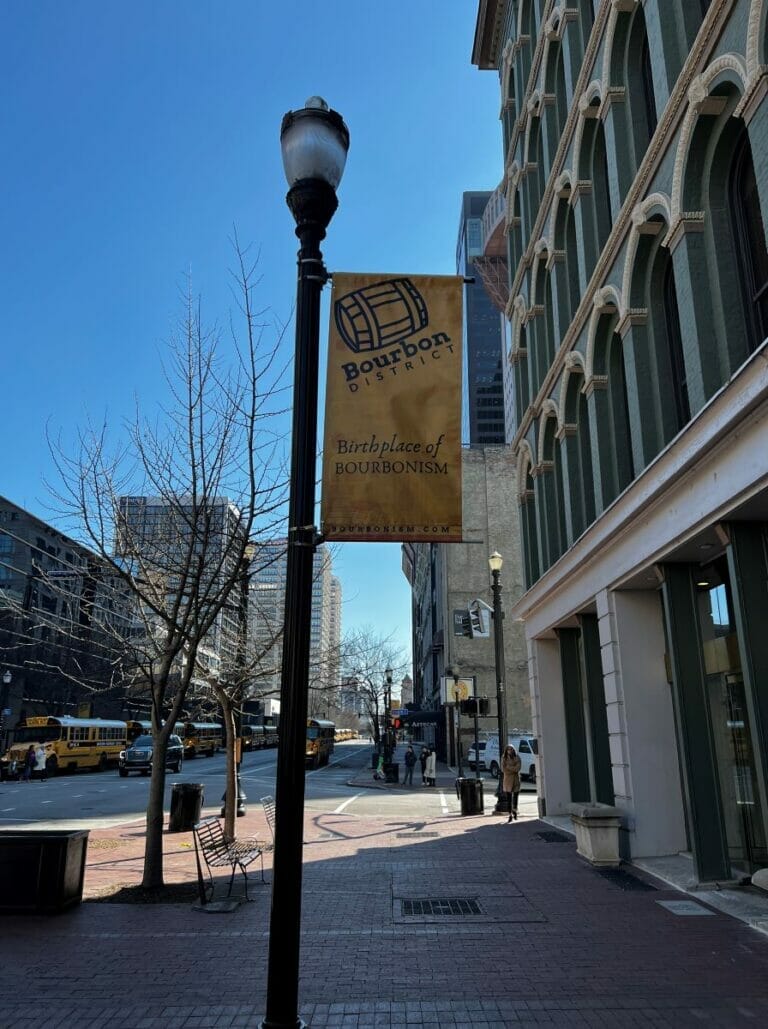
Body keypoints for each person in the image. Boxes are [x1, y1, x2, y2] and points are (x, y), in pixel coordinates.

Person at [502, 744, 522, 821]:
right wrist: (513, 769)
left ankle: (515, 811)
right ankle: (510, 814)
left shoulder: (517, 757)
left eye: (511, 749)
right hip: (507, 780)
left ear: (513, 750)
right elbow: (503, 769)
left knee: (515, 797)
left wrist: (509, 767)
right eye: (508, 749)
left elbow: (518, 768)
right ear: (506, 750)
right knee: (509, 799)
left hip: (516, 780)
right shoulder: (504, 758)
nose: (509, 751)